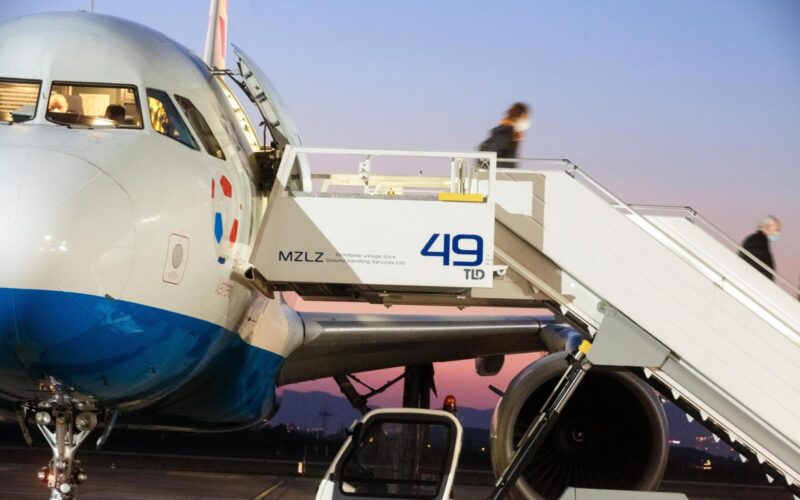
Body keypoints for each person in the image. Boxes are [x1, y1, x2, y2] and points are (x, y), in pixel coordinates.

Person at [479, 102, 531, 168]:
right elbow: (488, 155)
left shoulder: (508, 133)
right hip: (500, 171)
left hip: (500, 170)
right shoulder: (506, 133)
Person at [738, 216, 781, 280]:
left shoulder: (761, 241)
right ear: (767, 227)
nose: (778, 233)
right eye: (777, 230)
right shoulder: (756, 240)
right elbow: (756, 263)